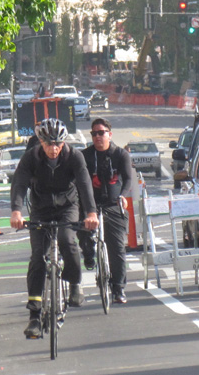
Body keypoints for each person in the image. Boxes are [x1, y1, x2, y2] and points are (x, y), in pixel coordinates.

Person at [10, 118, 98, 339]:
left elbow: (85, 184)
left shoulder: (74, 157)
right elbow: (19, 183)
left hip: (68, 206)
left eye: (58, 143)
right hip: (41, 209)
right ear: (41, 141)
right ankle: (34, 317)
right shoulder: (31, 157)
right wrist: (16, 212)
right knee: (38, 257)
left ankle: (75, 283)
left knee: (68, 241)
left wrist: (91, 213)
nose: (53, 148)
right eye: (49, 144)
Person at [79, 118, 133, 304]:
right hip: (90, 206)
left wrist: (123, 196)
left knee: (117, 247)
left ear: (109, 134)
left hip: (113, 205)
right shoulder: (85, 156)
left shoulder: (120, 155)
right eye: (94, 134)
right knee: (83, 232)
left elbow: (128, 179)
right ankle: (88, 254)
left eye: (101, 133)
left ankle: (118, 288)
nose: (97, 137)